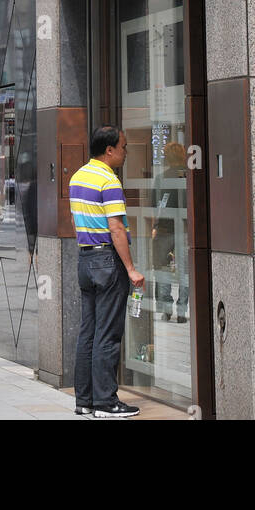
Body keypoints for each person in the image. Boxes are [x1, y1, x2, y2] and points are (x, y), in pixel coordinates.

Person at [68, 125, 144, 419]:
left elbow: (75, 221)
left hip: (85, 259)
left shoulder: (78, 177)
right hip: (107, 261)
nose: (126, 153)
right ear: (109, 150)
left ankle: (84, 400)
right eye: (123, 147)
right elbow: (116, 228)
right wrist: (131, 268)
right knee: (108, 334)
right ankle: (106, 402)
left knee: (88, 331)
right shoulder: (109, 181)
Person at [152, 140, 189, 323]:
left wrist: (154, 227)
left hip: (165, 229)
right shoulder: (187, 177)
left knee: (164, 268)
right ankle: (182, 310)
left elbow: (154, 205)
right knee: (184, 271)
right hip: (185, 229)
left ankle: (166, 308)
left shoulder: (161, 178)